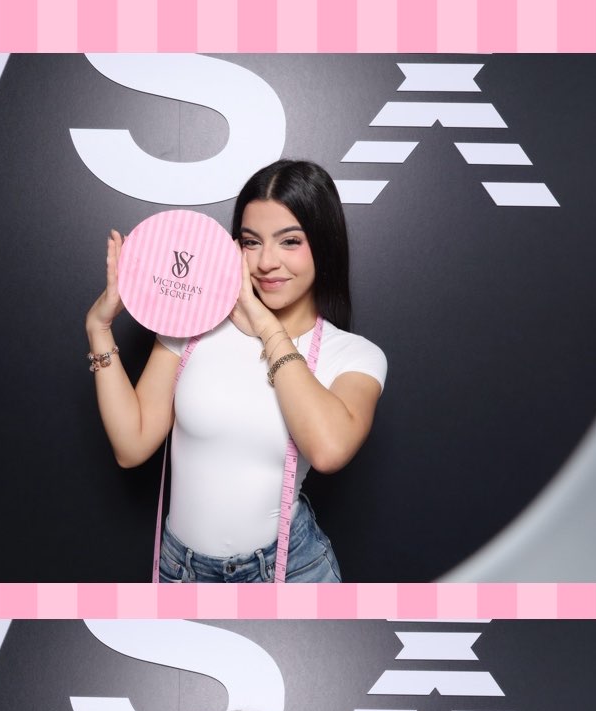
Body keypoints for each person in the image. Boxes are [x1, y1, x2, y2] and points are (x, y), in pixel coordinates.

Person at [85, 161, 387, 582]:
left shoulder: (353, 355)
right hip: (181, 571)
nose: (266, 262)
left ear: (324, 243)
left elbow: (328, 449)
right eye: (251, 242)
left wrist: (265, 326)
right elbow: (131, 445)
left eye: (290, 241)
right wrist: (99, 329)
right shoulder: (191, 325)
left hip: (289, 574)